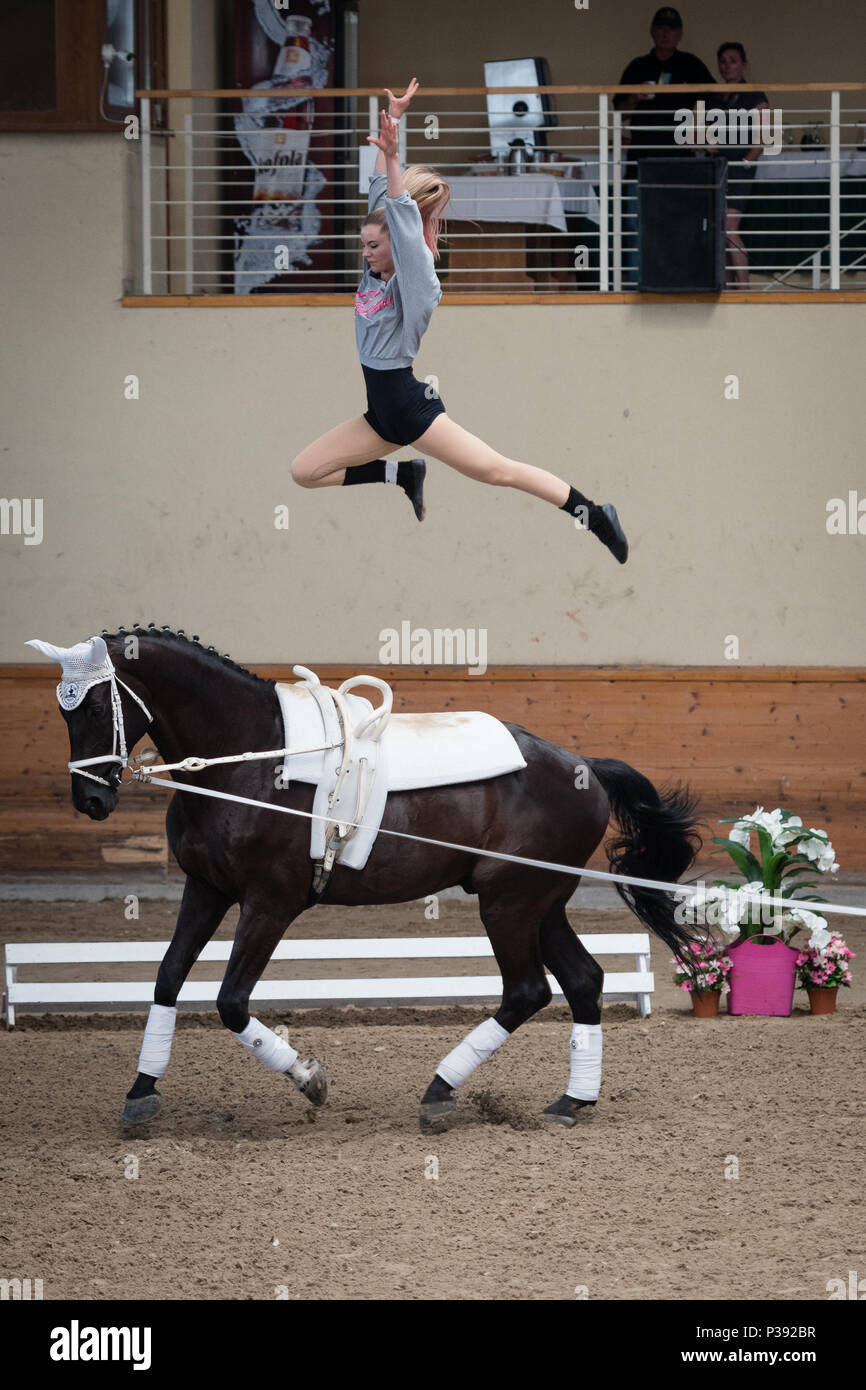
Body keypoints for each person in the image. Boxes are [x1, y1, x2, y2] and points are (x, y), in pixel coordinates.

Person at [291, 79, 628, 563]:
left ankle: (595, 514)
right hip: (382, 414)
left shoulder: (419, 276)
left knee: (497, 470)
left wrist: (393, 160)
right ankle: (403, 475)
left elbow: (401, 219)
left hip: (409, 408)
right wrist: (391, 137)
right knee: (305, 471)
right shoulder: (379, 255)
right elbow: (383, 205)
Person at [614, 8, 715, 283]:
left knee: (678, 227)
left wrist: (703, 132)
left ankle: (674, 284)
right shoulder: (637, 66)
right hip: (641, 160)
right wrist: (634, 97)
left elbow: (716, 98)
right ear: (652, 31)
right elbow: (618, 111)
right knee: (638, 226)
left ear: (680, 34)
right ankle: (638, 283)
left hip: (678, 160)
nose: (666, 33)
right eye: (661, 27)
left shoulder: (690, 65)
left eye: (671, 28)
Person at [715, 43, 769, 287]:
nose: (728, 65)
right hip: (717, 167)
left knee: (729, 226)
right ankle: (727, 285)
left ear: (744, 65)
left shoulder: (754, 94)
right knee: (719, 229)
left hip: (739, 169)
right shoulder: (716, 95)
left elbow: (765, 133)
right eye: (723, 61)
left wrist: (748, 159)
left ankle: (744, 286)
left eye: (733, 60)